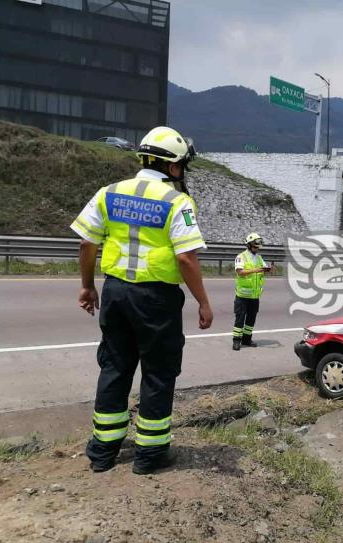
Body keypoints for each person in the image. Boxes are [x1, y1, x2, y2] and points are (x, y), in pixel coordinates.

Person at [71, 126, 214, 474]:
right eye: (181, 165)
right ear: (173, 166)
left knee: (115, 366)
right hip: (156, 299)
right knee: (158, 372)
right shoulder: (176, 201)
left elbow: (87, 243)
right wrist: (203, 302)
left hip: (116, 293)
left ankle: (103, 452)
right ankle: (149, 456)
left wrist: (88, 286)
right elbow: (185, 259)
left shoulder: (109, 193)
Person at [232, 232, 271, 350]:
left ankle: (247, 339)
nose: (257, 248)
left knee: (251, 319)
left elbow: (262, 269)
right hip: (242, 295)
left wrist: (267, 270)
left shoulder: (259, 258)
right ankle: (236, 341)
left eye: (258, 246)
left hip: (254, 296)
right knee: (240, 319)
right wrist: (256, 270)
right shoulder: (241, 257)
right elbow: (240, 272)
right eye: (255, 246)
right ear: (249, 245)